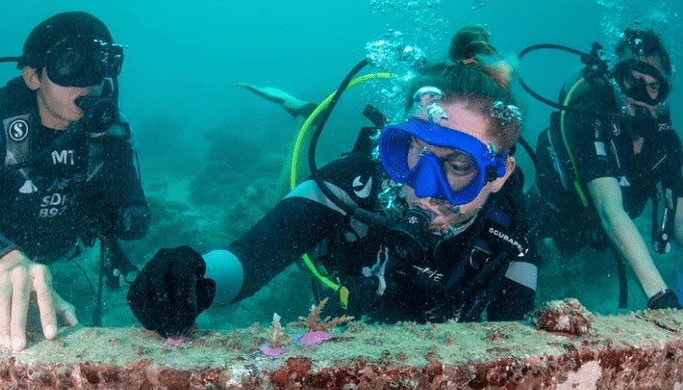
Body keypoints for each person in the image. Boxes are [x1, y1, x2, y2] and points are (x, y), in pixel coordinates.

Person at [127, 25, 540, 337]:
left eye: (459, 166)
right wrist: (197, 277)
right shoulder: (353, 185)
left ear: (499, 173)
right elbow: (249, 259)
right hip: (344, 319)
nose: (424, 188)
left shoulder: (512, 229)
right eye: (414, 149)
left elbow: (509, 335)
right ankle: (301, 113)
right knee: (292, 181)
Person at [0, 11, 150, 351]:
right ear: (33, 77)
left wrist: (114, 216)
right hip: (7, 253)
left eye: (98, 65)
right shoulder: (5, 135)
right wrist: (5, 260)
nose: (87, 83)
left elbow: (136, 218)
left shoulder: (111, 136)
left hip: (66, 247)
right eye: (69, 64)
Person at [528, 29, 682, 309]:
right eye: (632, 80)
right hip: (553, 211)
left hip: (601, 234)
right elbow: (610, 210)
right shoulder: (590, 118)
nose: (641, 95)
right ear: (615, 78)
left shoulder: (665, 140)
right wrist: (661, 298)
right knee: (523, 244)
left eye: (653, 86)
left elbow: (680, 214)